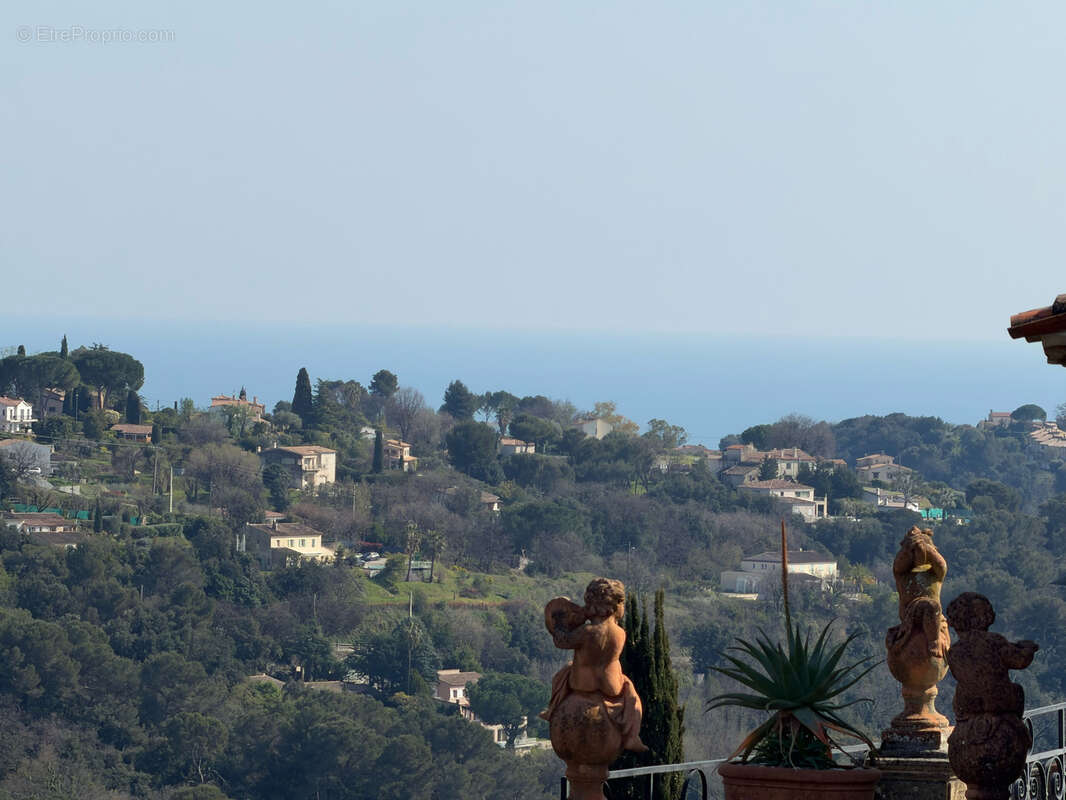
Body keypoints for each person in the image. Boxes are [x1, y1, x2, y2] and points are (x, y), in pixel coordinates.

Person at [540, 577, 648, 753]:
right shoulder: (620, 633)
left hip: (584, 683)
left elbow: (562, 641)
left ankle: (552, 708)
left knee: (562, 675)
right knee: (632, 695)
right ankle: (632, 736)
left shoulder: (586, 632)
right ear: (615, 605)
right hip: (611, 685)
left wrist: (559, 623)